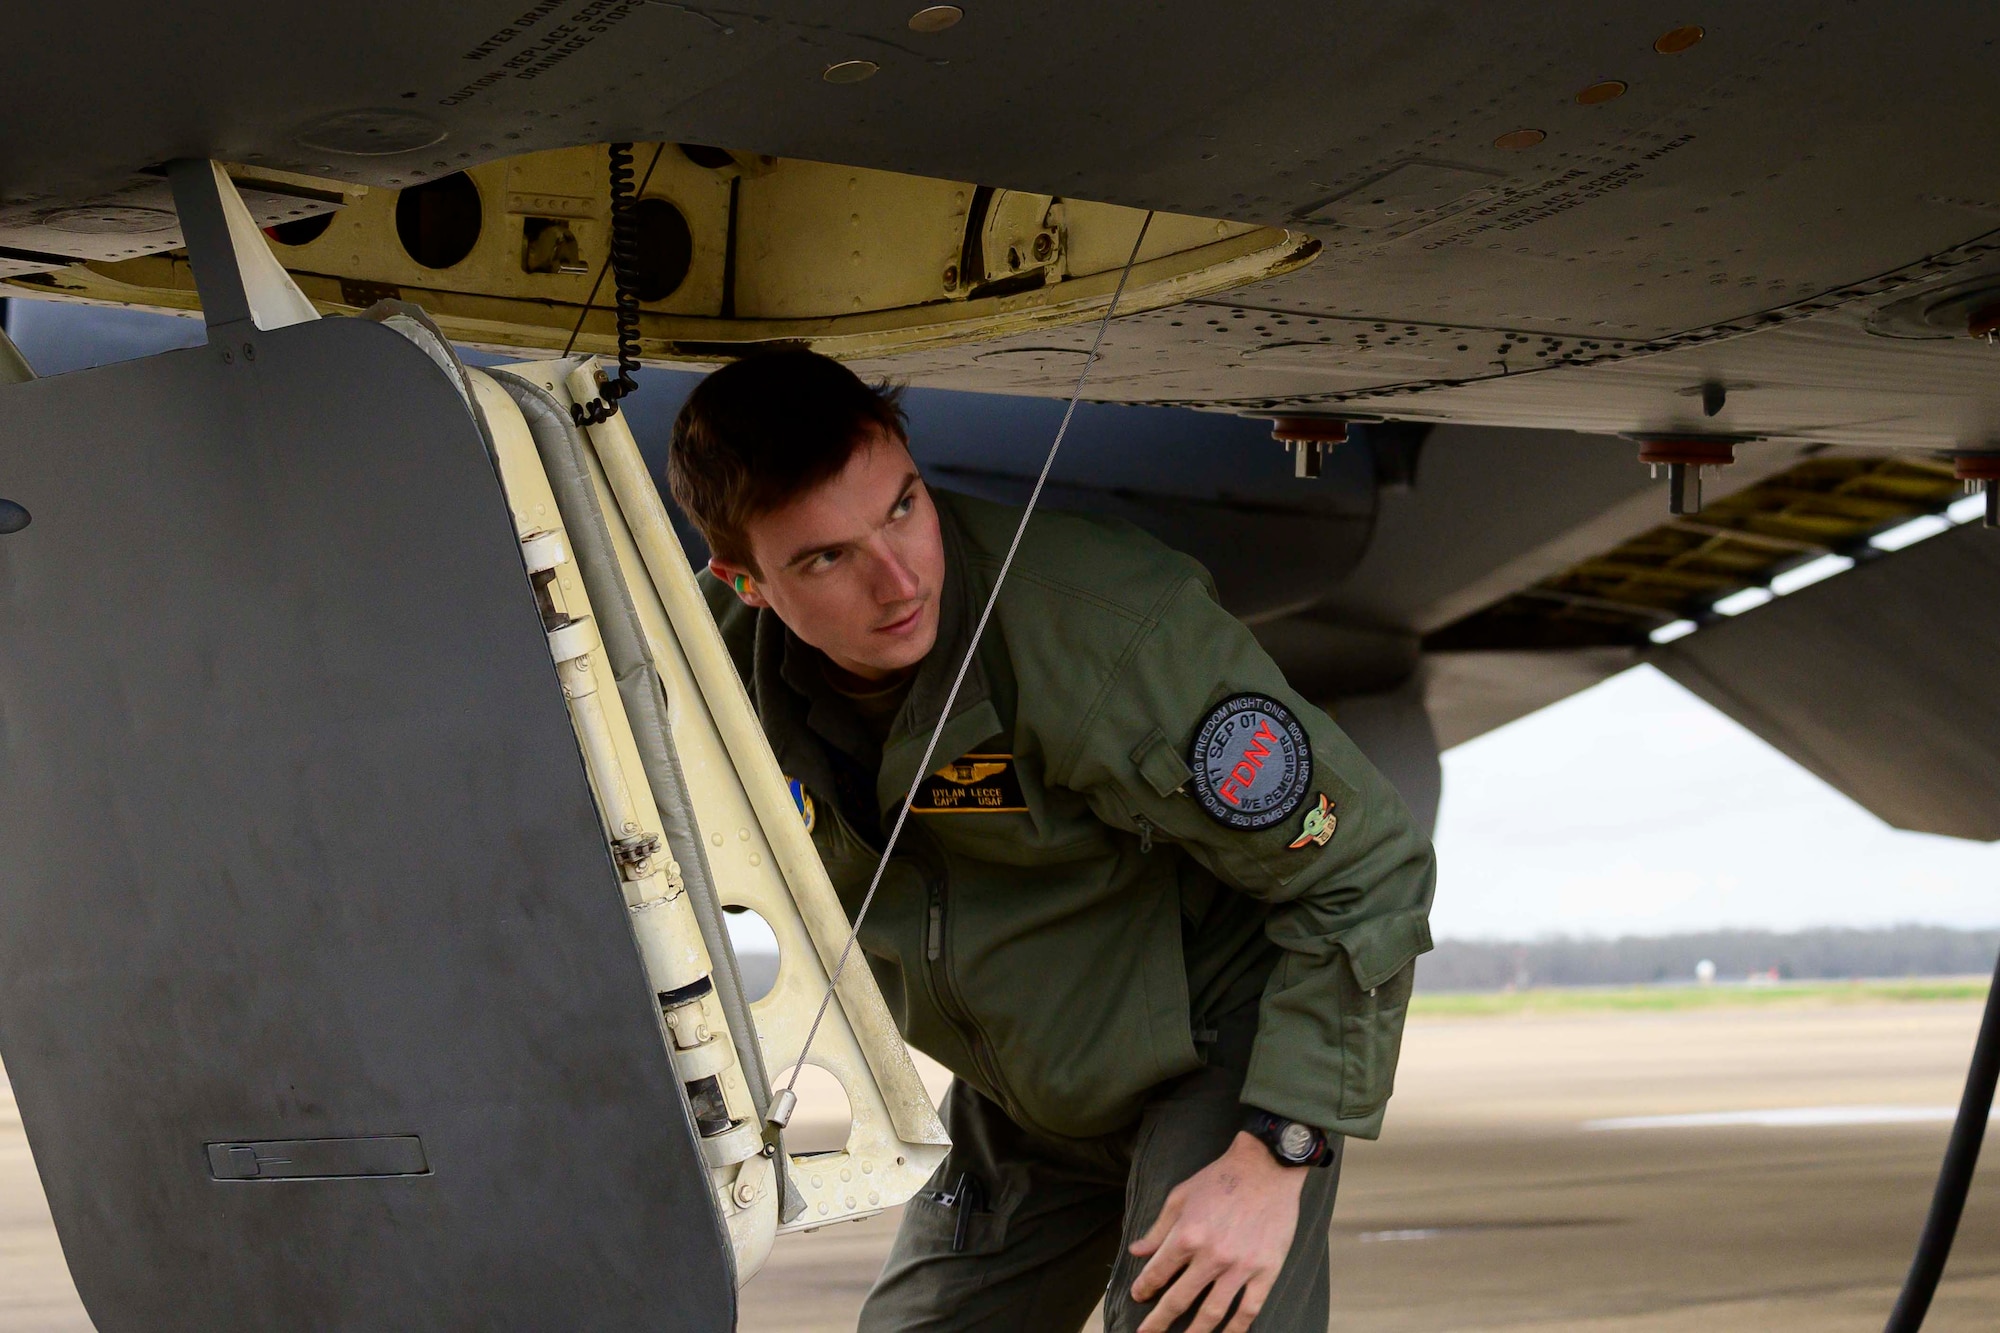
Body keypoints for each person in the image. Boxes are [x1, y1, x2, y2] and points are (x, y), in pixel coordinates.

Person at [668, 349, 1435, 1333]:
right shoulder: (695, 674)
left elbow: (1363, 865)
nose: (899, 576)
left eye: (903, 506)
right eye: (826, 557)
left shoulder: (1100, 631)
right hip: (1021, 1101)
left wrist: (1275, 1151)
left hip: (1213, 1061)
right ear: (747, 580)